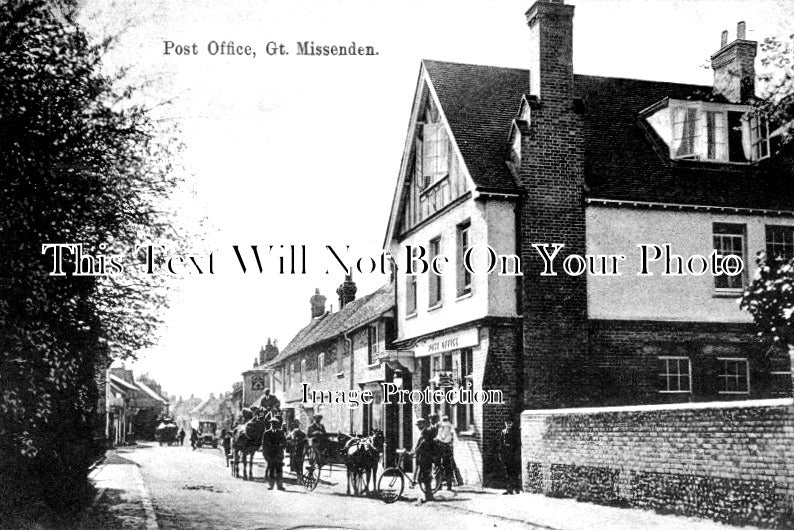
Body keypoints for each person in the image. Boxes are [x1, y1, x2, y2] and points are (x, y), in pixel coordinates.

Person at [411, 418, 435, 504]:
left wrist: (416, 450)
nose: (418, 427)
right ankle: (427, 495)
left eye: (419, 425)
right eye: (417, 425)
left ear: (423, 424)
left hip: (426, 457)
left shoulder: (426, 432)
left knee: (425, 476)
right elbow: (419, 443)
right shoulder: (423, 432)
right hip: (422, 457)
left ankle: (429, 496)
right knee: (422, 475)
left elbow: (423, 444)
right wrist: (414, 450)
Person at [262, 417, 287, 490]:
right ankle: (271, 485)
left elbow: (284, 442)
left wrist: (282, 446)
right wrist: (265, 455)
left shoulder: (281, 432)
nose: (274, 425)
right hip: (270, 455)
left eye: (275, 424)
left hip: (278, 454)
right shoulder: (266, 433)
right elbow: (264, 445)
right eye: (272, 424)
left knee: (279, 470)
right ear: (270, 424)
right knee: (271, 470)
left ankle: (280, 485)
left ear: (277, 425)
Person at [435, 414, 458, 491]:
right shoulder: (449, 426)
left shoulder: (444, 426)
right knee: (447, 466)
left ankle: (439, 485)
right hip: (448, 447)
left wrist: (437, 438)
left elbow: (442, 436)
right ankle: (448, 485)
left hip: (442, 446)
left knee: (439, 465)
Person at [498, 418, 521, 495]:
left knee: (513, 472)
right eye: (507, 423)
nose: (508, 425)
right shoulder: (503, 432)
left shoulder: (514, 433)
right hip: (505, 455)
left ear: (512, 424)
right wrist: (500, 454)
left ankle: (516, 488)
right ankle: (509, 489)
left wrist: (516, 455)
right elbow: (501, 444)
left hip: (512, 456)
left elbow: (517, 445)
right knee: (506, 473)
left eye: (510, 423)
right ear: (505, 424)